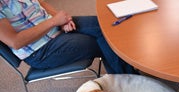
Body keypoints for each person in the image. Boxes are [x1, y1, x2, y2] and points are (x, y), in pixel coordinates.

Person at [0, 0, 139, 74]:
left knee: (106, 27)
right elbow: (15, 42)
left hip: (52, 27)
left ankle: (128, 80)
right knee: (103, 42)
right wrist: (54, 21)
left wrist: (63, 20)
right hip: (40, 50)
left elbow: (41, 3)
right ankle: (131, 91)